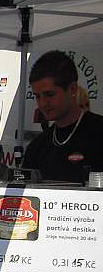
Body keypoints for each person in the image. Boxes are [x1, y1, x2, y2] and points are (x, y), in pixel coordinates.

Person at [22, 50, 103, 183]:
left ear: (72, 89)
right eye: (37, 96)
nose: (43, 103)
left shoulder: (98, 133)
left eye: (50, 94)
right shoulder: (37, 147)